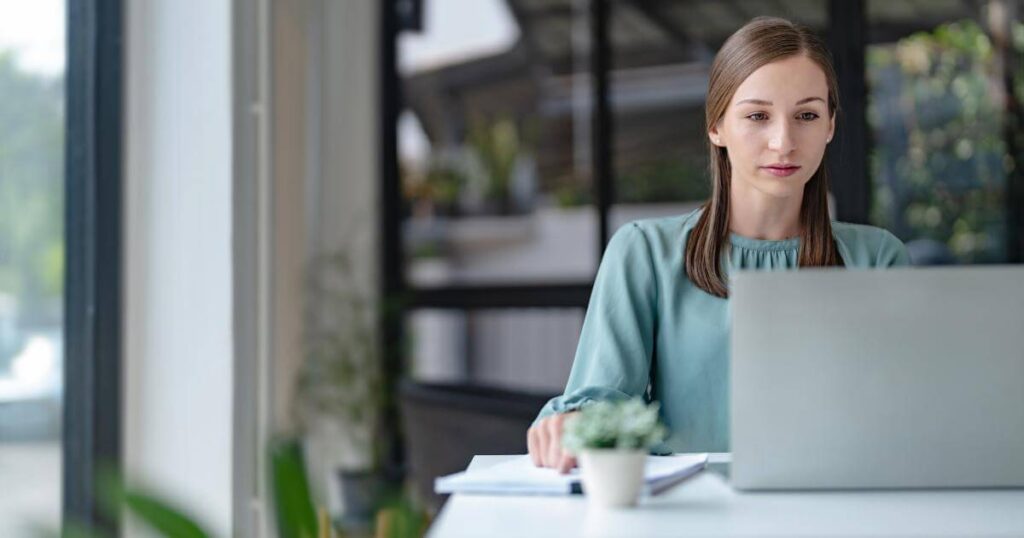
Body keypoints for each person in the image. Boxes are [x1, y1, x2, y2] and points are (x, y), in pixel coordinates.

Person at [527, 16, 910, 473]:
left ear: (830, 126)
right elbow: (602, 407)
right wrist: (572, 423)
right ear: (716, 127)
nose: (783, 141)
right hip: (690, 513)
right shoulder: (644, 252)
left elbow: (904, 415)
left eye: (806, 115)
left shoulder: (878, 259)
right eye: (757, 116)